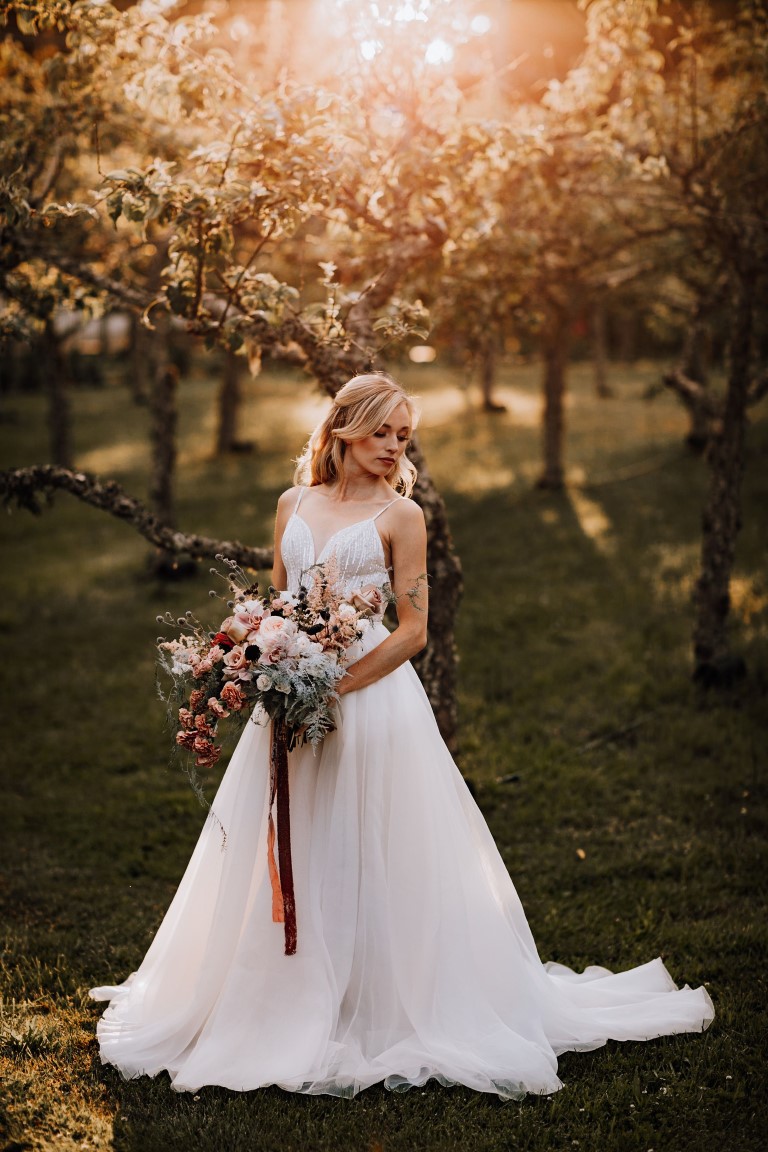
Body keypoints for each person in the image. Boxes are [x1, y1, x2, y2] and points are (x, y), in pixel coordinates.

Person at [90, 373, 714, 1099]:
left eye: (403, 437)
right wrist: (255, 657)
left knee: (372, 841)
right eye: (381, 433)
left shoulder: (403, 516)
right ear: (344, 429)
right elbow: (273, 602)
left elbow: (414, 631)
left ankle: (376, 998)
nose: (393, 448)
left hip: (369, 699)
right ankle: (273, 992)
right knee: (293, 836)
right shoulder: (291, 503)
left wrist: (333, 688)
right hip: (288, 698)